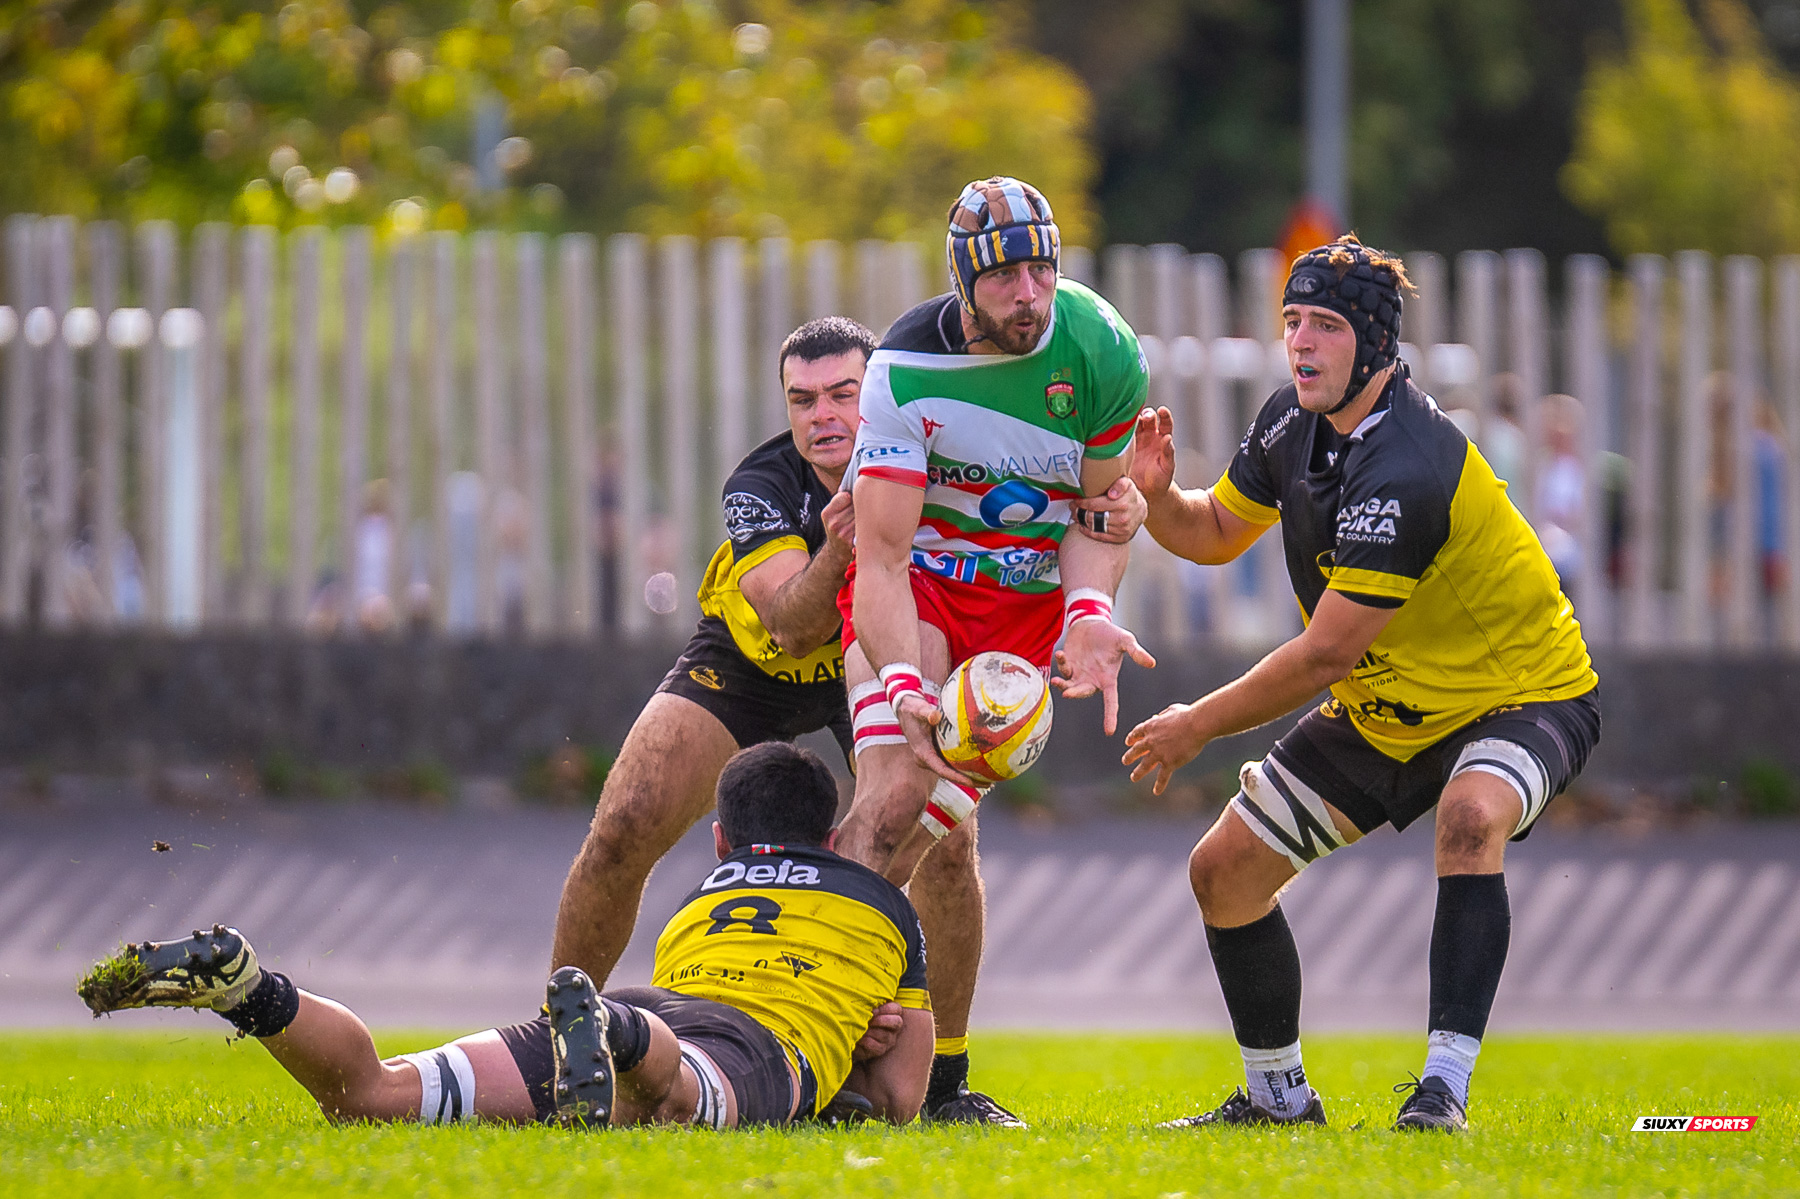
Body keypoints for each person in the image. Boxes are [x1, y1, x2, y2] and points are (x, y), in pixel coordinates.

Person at [1121, 235, 1599, 1133]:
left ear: (1376, 346)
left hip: (1522, 693)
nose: (1301, 341)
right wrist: (1159, 498)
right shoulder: (1290, 420)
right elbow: (1219, 527)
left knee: (1469, 816)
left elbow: (1322, 656)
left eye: (1327, 325)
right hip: (1389, 708)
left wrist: (1196, 724)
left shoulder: (1410, 463)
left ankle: (1441, 1092)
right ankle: (1278, 1098)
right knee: (1224, 872)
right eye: (1293, 319)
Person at [77, 743, 935, 1130]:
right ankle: (621, 1037)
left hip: (654, 997)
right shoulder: (885, 909)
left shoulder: (699, 898)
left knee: (375, 1095)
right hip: (745, 1045)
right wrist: (858, 1050)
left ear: (721, 838)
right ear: (828, 837)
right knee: (676, 1104)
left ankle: (250, 988)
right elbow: (898, 1101)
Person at [834, 176, 1153, 1126]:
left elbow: (1104, 514)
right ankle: (797, 1043)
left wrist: (1090, 605)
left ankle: (940, 1082)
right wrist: (901, 684)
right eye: (1008, 274)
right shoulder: (901, 368)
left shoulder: (1100, 350)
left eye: (1043, 268)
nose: (1030, 294)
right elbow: (883, 559)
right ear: (965, 284)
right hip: (921, 589)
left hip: (1020, 614)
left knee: (944, 828)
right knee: (894, 800)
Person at [549, 318, 874, 990]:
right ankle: (561, 1040)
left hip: (871, 656)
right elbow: (794, 625)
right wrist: (841, 542)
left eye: (843, 394)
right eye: (803, 399)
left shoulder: (923, 466)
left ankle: (939, 1077)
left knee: (940, 846)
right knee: (625, 823)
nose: (823, 416)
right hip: (754, 661)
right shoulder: (759, 485)